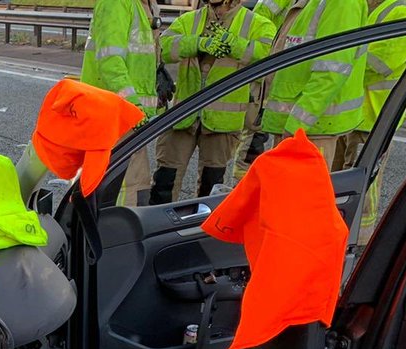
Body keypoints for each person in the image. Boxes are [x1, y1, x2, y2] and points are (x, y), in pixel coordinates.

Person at [152, 0, 276, 203]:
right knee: (164, 182)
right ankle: (159, 230)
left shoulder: (257, 24)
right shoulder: (190, 20)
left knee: (210, 190)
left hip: (223, 122)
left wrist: (232, 44)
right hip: (184, 115)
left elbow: (268, 54)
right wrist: (198, 43)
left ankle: (199, 233)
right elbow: (162, 48)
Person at [333, 0, 406, 236]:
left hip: (374, 117)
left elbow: (380, 64)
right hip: (347, 114)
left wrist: (340, 64)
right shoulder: (367, 7)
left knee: (362, 181)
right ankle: (337, 232)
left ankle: (358, 239)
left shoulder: (401, 10)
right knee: (339, 178)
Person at [256, 0, 368, 169]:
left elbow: (330, 74)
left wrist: (296, 126)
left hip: (310, 130)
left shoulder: (341, 4)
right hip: (300, 128)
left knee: (301, 193)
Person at [81, 0, 162, 205]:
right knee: (127, 185)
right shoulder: (117, 3)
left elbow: (139, 57)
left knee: (134, 182)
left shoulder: (145, 5)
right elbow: (110, 61)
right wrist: (134, 104)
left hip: (127, 114)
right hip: (116, 112)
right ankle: (118, 233)